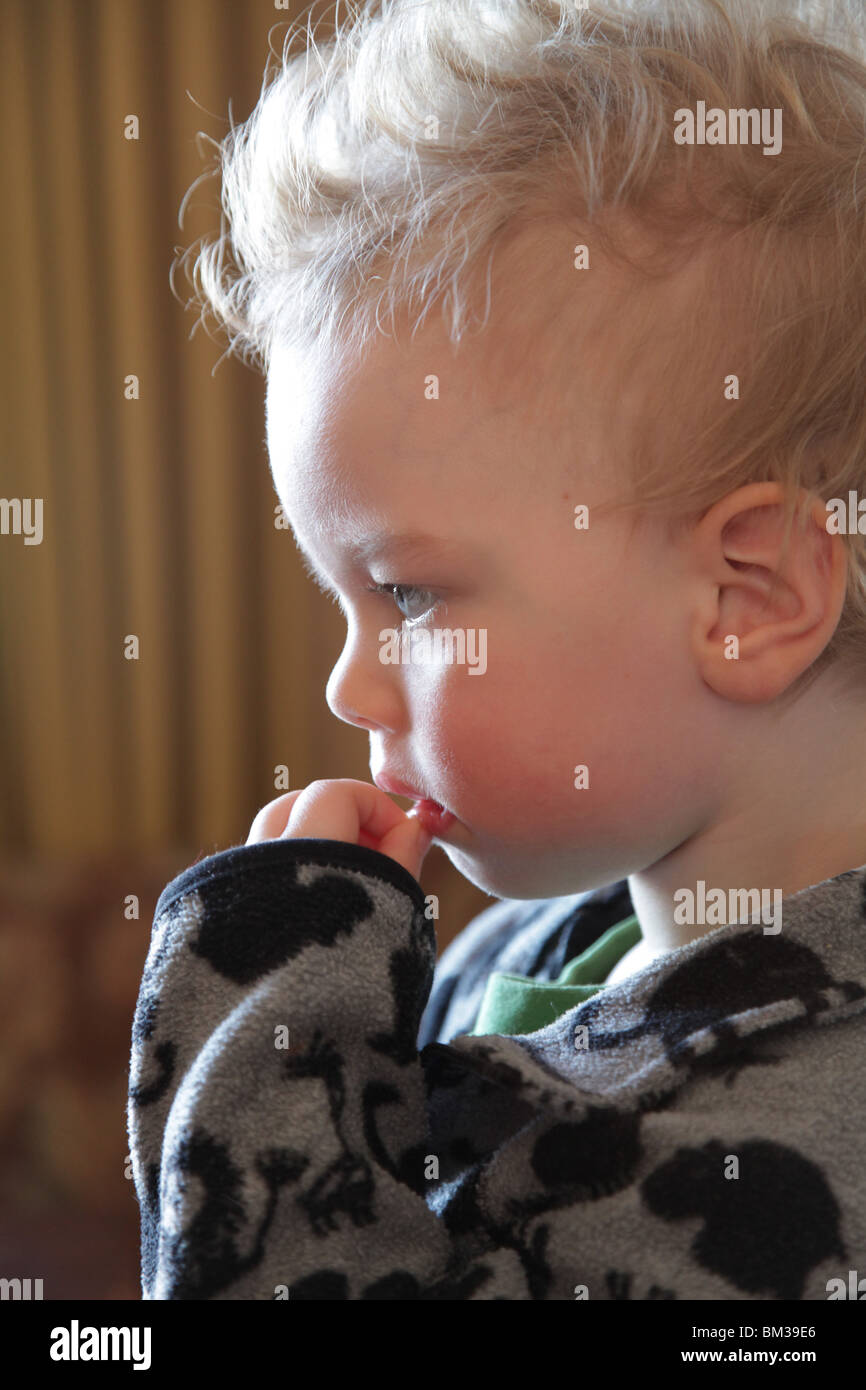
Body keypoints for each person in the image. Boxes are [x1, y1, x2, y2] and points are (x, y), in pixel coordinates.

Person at [128, 0, 866, 1299]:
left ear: (743, 597)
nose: (345, 684)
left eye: (407, 594)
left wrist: (259, 1031)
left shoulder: (791, 1163)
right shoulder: (520, 942)